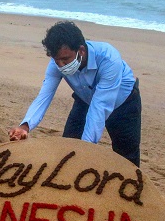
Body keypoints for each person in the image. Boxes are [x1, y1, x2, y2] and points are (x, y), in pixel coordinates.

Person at [8, 21, 142, 166]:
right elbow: (44, 95)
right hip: (85, 99)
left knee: (127, 158)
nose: (61, 65)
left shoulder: (109, 58)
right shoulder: (57, 63)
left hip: (123, 103)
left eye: (65, 59)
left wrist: (84, 148)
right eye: (56, 59)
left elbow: (100, 106)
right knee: (68, 148)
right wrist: (25, 126)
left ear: (81, 50)